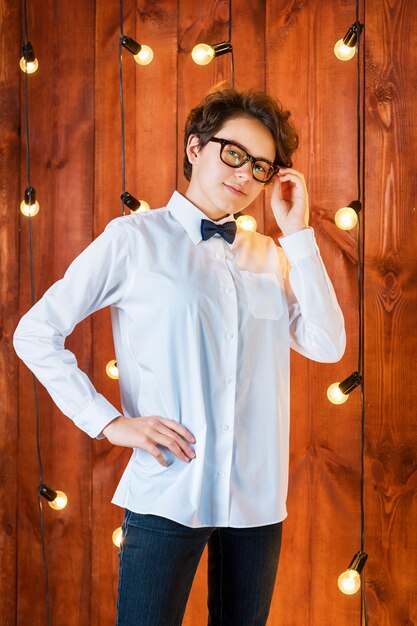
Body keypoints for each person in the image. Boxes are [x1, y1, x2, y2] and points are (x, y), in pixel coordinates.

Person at [14, 88, 346, 626]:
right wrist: (110, 423)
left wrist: (299, 234)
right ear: (195, 147)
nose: (245, 175)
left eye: (261, 168)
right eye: (234, 153)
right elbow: (35, 332)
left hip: (257, 500)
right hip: (169, 488)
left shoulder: (273, 257)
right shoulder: (133, 240)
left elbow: (328, 346)